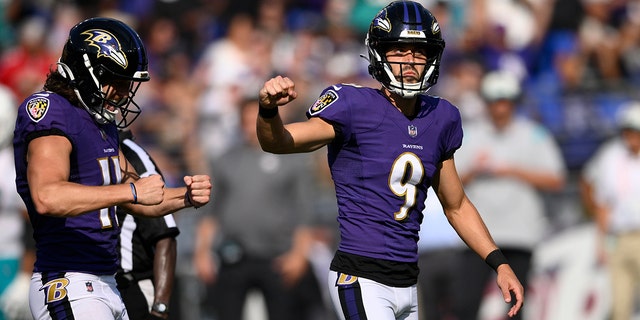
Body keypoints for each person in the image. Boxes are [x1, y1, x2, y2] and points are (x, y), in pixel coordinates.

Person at [255, 1, 524, 320]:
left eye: (419, 51)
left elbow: (457, 206)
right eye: (400, 50)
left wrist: (499, 262)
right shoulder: (353, 105)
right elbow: (279, 142)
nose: (410, 61)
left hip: (408, 281)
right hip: (361, 276)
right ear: (379, 53)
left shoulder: (441, 117)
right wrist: (268, 111)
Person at [12, 17, 211, 320]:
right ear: (84, 71)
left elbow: (142, 199)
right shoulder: (51, 111)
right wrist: (130, 190)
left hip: (106, 282)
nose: (123, 91)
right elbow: (47, 196)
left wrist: (185, 196)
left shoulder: (100, 122)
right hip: (69, 278)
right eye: (116, 80)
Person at [193, 97, 327, 320]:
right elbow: (211, 212)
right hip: (234, 255)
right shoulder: (226, 160)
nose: (251, 127)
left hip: (279, 257)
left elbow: (305, 212)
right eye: (246, 121)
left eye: (255, 120)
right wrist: (202, 252)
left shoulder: (292, 158)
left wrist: (299, 254)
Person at [453, 70, 567, 319]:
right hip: (477, 233)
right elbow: (449, 181)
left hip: (519, 232)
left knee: (516, 304)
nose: (500, 107)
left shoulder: (535, 135)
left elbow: (557, 179)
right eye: (494, 100)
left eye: (505, 100)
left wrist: (514, 171)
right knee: (464, 303)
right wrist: (474, 170)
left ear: (514, 102)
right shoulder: (469, 134)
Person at [580, 101, 640, 320]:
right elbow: (604, 202)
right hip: (620, 238)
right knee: (619, 306)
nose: (632, 136)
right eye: (628, 130)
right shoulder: (611, 156)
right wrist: (602, 240)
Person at [115, 129, 180, 320]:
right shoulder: (77, 147)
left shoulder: (130, 155)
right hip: (90, 282)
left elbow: (165, 234)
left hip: (130, 285)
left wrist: (159, 308)